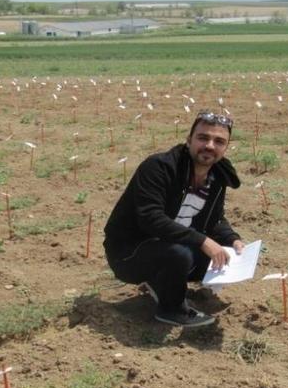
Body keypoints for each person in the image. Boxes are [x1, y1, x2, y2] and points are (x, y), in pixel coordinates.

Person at [103, 111, 245, 327]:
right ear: (189, 140)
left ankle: (161, 282)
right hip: (128, 253)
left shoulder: (217, 177)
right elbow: (150, 218)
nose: (210, 146)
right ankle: (171, 310)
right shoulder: (159, 167)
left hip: (167, 246)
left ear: (226, 148)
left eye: (219, 141)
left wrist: (232, 239)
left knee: (221, 255)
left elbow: (215, 219)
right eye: (203, 138)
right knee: (180, 254)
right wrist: (203, 241)